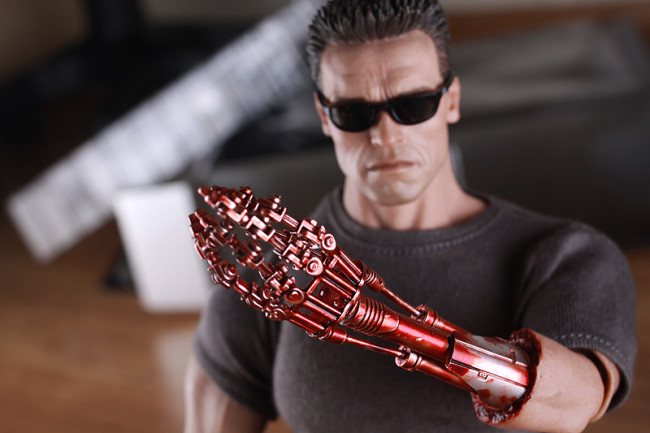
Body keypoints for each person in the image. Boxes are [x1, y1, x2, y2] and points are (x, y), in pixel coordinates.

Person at [184, 1, 637, 432]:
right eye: (353, 113)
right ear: (324, 116)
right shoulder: (274, 279)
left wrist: (391, 326)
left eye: (413, 105)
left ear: (451, 100)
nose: (385, 136)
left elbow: (574, 402)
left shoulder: (563, 255)